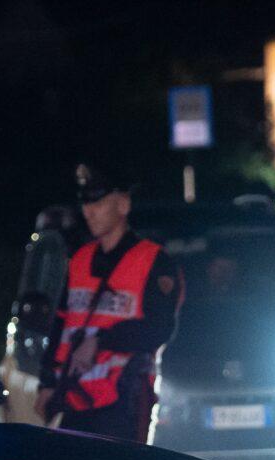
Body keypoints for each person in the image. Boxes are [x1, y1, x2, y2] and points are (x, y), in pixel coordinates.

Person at [42, 162, 181, 443]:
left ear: (123, 205)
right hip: (73, 400)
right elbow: (61, 323)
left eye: (98, 202)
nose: (88, 211)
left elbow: (160, 328)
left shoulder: (153, 261)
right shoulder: (79, 259)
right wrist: (46, 382)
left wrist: (101, 341)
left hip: (124, 404)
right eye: (85, 203)